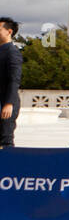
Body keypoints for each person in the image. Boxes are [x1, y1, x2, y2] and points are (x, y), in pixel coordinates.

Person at [0, 16, 21, 147]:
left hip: (5, 103)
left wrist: (9, 103)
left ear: (9, 31)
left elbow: (14, 79)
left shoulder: (12, 52)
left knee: (5, 139)